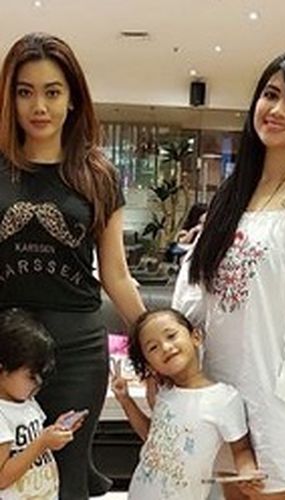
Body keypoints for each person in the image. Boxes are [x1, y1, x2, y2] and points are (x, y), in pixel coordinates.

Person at [173, 49, 285, 499]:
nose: (278, 109)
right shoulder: (232, 193)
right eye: (270, 94)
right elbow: (194, 286)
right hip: (214, 388)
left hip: (271, 394)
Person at [0, 33, 145, 498]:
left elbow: (115, 273)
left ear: (73, 98)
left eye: (52, 91)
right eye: (25, 92)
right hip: (4, 345)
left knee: (66, 476)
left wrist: (150, 338)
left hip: (76, 349)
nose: (39, 106)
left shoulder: (97, 175)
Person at [110, 308, 263, 500]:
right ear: (150, 365)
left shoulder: (224, 399)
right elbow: (152, 438)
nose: (166, 347)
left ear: (195, 337)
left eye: (171, 336)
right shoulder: (164, 394)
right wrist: (125, 400)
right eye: (153, 347)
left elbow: (241, 449)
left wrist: (248, 472)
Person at [0, 308, 87, 499]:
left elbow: (31, 446)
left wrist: (54, 434)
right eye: (31, 376)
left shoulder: (27, 402)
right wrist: (41, 443)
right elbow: (2, 478)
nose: (38, 384)